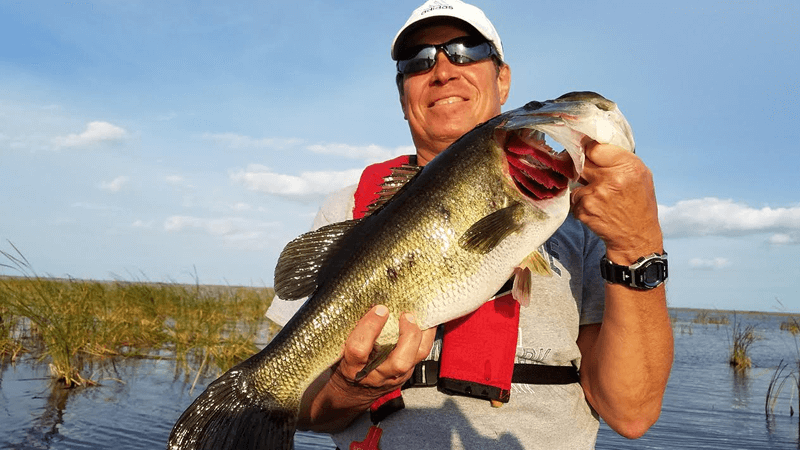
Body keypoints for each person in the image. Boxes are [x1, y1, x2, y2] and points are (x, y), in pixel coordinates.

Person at [266, 1, 673, 448]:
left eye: (465, 49)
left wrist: (638, 244)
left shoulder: (590, 225)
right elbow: (298, 409)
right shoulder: (348, 210)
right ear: (403, 97)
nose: (442, 69)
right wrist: (351, 390)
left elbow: (631, 415)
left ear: (503, 79)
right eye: (417, 61)